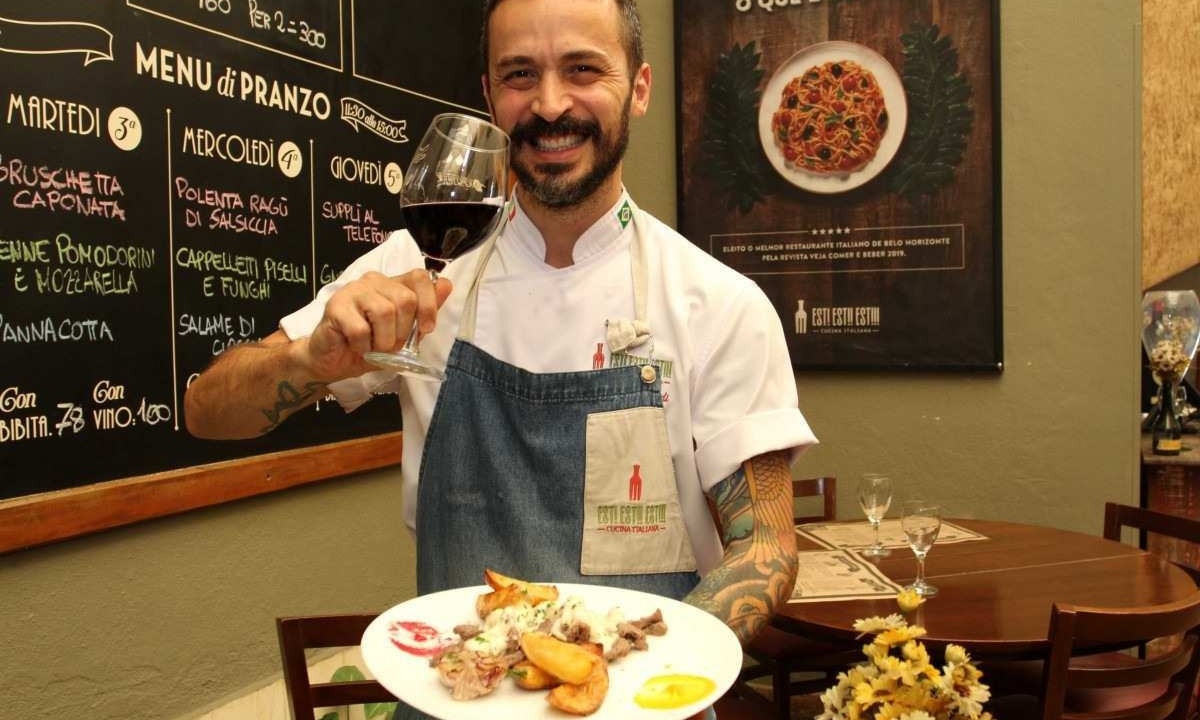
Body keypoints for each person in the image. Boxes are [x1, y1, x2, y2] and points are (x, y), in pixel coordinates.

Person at [185, 0, 817, 716]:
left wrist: (626, 680)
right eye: (520, 74)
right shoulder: (417, 270)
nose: (550, 105)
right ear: (489, 96)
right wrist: (307, 359)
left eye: (583, 69)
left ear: (638, 87)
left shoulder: (719, 305)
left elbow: (764, 550)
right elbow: (207, 410)